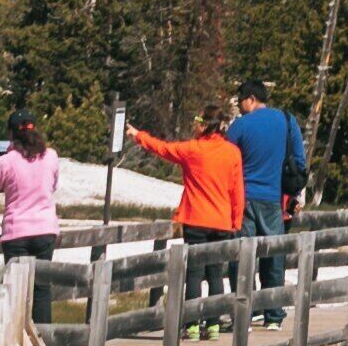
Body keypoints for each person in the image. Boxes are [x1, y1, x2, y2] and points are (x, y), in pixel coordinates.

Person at [129, 108, 246, 328]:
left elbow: (162, 148)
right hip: (221, 220)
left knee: (194, 272)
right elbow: (237, 190)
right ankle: (212, 323)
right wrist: (236, 221)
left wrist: (138, 135)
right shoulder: (232, 152)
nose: (194, 125)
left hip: (196, 218)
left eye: (196, 121)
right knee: (214, 273)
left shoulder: (192, 149)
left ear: (203, 125)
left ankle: (191, 324)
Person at [222, 85, 307, 321]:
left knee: (242, 255)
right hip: (273, 199)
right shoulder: (287, 121)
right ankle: (273, 312)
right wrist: (294, 195)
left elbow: (226, 160)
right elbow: (299, 160)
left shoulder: (240, 125)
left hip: (244, 198)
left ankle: (243, 311)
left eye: (240, 100)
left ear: (251, 99)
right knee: (274, 255)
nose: (239, 106)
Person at [0, 113, 62, 319]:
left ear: (11, 133)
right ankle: (42, 342)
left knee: (15, 291)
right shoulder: (51, 156)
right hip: (45, 230)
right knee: (41, 289)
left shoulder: (6, 161)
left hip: (17, 232)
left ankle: (16, 344)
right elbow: (53, 185)